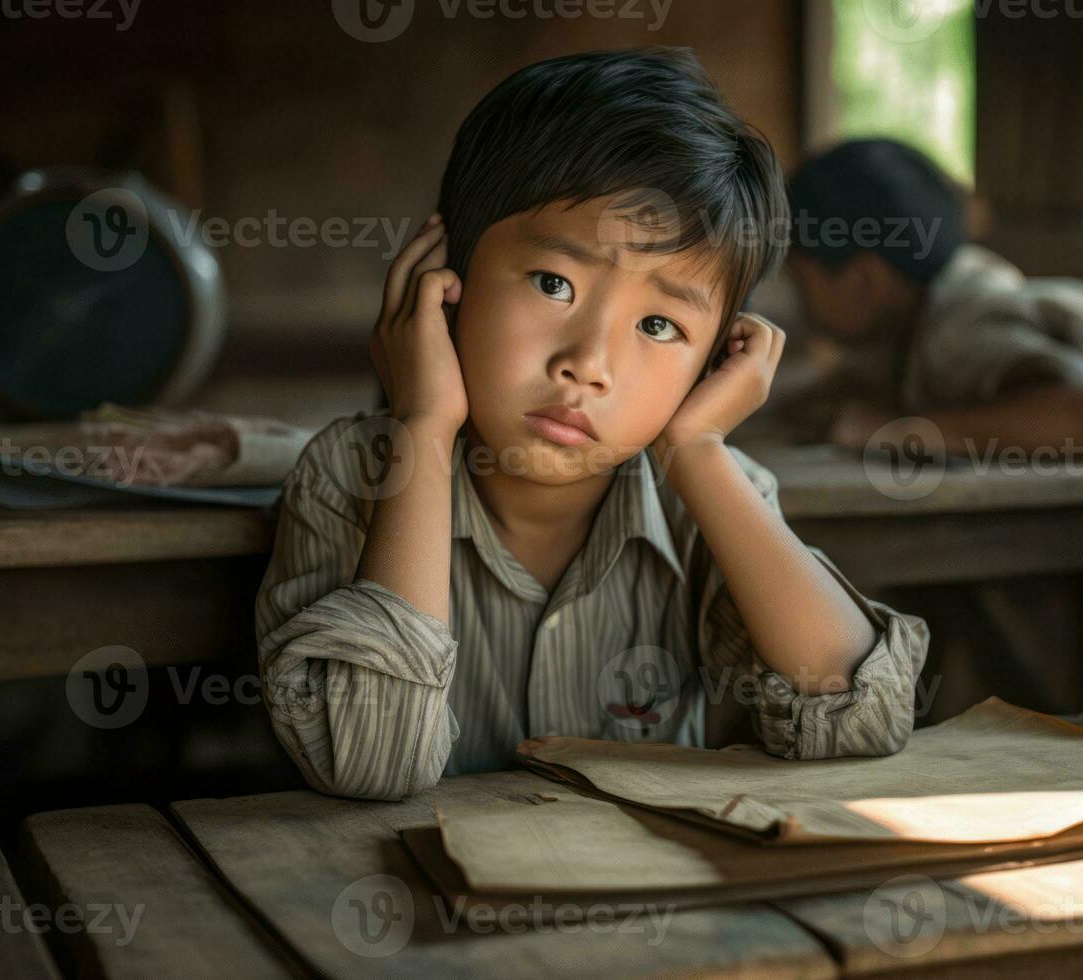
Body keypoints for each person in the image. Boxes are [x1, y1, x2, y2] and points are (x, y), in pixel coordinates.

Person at [253, 48, 930, 801]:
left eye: (659, 324)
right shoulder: (350, 478)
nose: (588, 363)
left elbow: (858, 719)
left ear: (715, 361)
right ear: (444, 284)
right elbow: (369, 764)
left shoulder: (703, 500)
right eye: (554, 283)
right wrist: (422, 422)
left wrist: (698, 450)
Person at [780, 138, 1083, 455]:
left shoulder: (957, 329)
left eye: (800, 280)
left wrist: (889, 431)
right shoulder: (927, 310)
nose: (799, 299)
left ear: (865, 280)